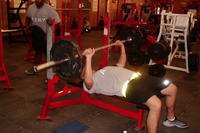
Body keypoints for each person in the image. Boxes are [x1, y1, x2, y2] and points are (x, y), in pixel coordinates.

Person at [81, 40, 188, 133]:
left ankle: (170, 119)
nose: (89, 70)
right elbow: (88, 81)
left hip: (140, 78)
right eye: (85, 71)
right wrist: (88, 58)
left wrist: (122, 46)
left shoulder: (105, 70)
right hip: (129, 87)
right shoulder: (92, 82)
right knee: (156, 105)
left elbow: (121, 62)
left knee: (172, 88)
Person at [25, 0, 60, 79]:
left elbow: (58, 23)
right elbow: (28, 17)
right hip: (36, 34)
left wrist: (51, 27)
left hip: (46, 35)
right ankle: (35, 69)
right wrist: (26, 26)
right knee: (37, 51)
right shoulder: (31, 8)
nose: (38, 1)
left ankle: (52, 75)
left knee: (48, 55)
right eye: (37, 0)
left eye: (40, 0)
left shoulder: (49, 9)